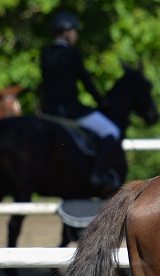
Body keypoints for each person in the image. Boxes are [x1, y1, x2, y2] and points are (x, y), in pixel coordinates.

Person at [40, 12, 122, 192]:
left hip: (49, 110)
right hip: (71, 110)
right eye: (74, 31)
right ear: (66, 32)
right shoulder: (71, 54)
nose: (76, 35)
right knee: (112, 130)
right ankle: (98, 173)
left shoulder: (45, 53)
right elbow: (86, 81)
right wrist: (102, 102)